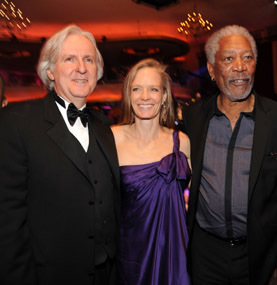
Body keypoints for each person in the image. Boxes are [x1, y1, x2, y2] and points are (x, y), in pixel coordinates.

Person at [0, 25, 120, 285]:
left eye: (89, 59)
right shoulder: (16, 122)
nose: (81, 67)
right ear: (50, 70)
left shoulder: (104, 126)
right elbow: (7, 221)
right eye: (70, 58)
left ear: (98, 71)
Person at [182, 25, 277, 285]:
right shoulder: (194, 117)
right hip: (205, 255)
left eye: (247, 57)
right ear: (212, 70)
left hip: (261, 255)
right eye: (228, 59)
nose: (240, 67)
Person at [111, 58, 191, 285]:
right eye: (136, 89)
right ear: (128, 95)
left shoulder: (182, 142)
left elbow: (193, 198)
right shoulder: (112, 139)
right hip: (129, 253)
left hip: (173, 254)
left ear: (164, 96)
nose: (144, 96)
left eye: (153, 89)